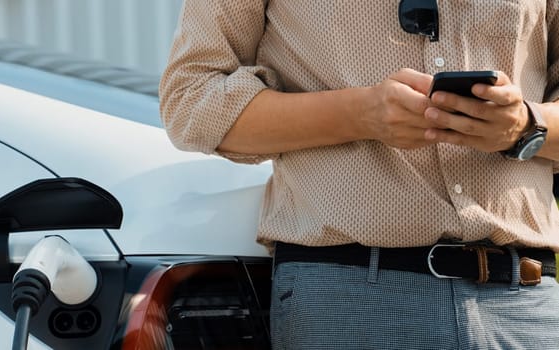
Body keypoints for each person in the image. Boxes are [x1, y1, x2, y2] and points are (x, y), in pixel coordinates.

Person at [160, 1, 559, 349]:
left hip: (527, 304)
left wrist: (526, 124)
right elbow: (191, 101)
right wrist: (360, 113)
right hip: (348, 300)